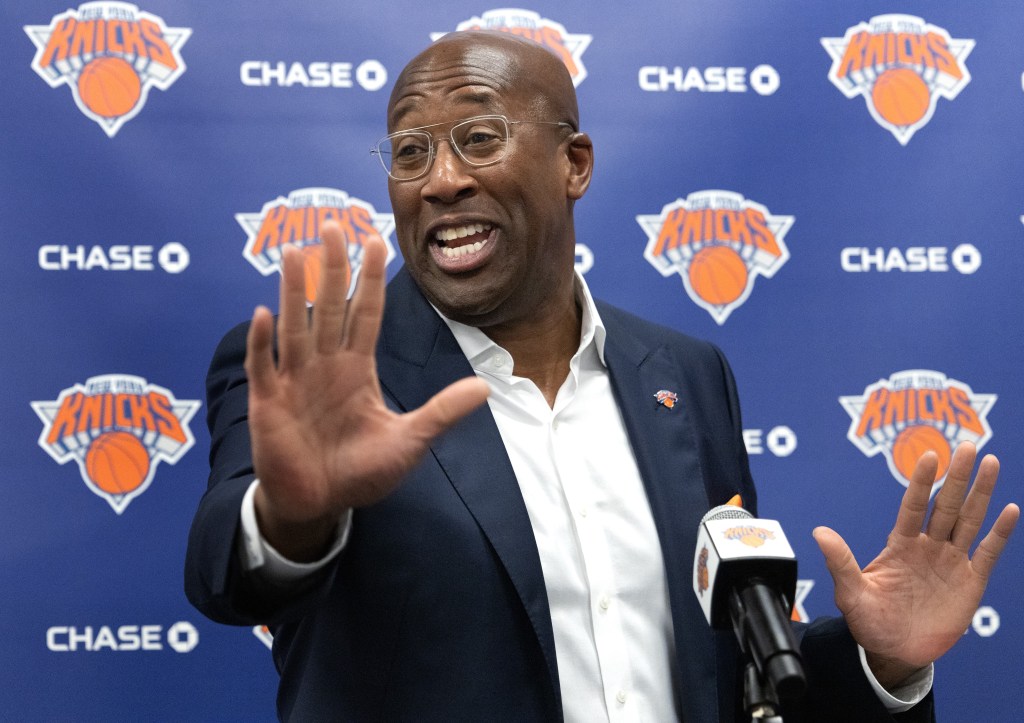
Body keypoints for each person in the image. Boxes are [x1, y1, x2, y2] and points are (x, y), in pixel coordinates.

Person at [185, 31, 1019, 722]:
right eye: (410, 152)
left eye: (478, 138)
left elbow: (728, 669)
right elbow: (226, 570)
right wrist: (291, 516)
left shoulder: (687, 375)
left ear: (574, 163)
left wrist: (882, 661)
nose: (441, 180)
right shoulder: (320, 373)